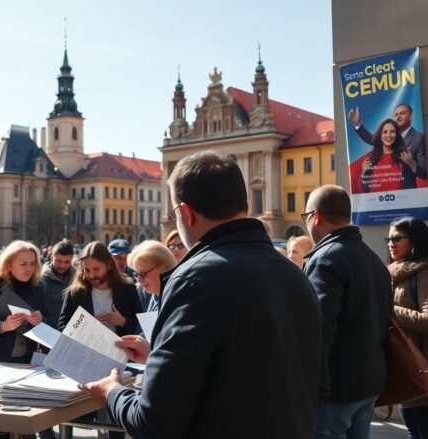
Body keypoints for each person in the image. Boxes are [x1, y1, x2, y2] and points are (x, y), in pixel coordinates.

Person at [79, 151, 324, 438]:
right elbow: (317, 383)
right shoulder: (295, 274)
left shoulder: (192, 278)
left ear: (186, 213)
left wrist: (112, 393)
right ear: (245, 205)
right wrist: (158, 356)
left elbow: (154, 420)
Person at [302, 184, 391, 439]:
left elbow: (320, 330)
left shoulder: (326, 258)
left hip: (337, 388)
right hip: (369, 382)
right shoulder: (372, 257)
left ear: (315, 216)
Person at [0, 240, 48, 439]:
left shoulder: (38, 287)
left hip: (26, 364)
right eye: (23, 263)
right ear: (9, 264)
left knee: (21, 423)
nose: (29, 268)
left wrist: (41, 320)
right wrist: (2, 326)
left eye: (32, 263)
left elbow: (50, 322)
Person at [386, 217, 428, 438]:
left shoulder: (426, 272)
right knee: (414, 432)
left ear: (414, 240)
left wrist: (390, 310)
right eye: (389, 239)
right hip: (403, 366)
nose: (390, 244)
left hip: (423, 367)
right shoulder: (393, 273)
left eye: (396, 238)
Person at [59, 241, 142, 336]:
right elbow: (62, 327)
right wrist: (87, 326)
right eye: (87, 270)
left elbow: (141, 327)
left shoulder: (128, 290)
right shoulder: (75, 293)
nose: (91, 275)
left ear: (108, 265)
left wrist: (123, 322)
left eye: (96, 269)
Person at [349, 103, 427, 180]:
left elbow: (424, 172)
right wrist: (357, 125)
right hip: (385, 182)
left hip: (407, 188)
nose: (398, 117)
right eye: (396, 115)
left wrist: (412, 164)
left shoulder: (418, 137)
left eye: (402, 113)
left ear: (411, 116)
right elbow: (371, 139)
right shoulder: (389, 136)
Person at [353, 119, 416, 193]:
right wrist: (363, 172)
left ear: (397, 135)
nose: (388, 135)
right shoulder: (371, 160)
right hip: (376, 203)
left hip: (401, 203)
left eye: (392, 132)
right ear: (380, 135)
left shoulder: (404, 157)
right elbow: (364, 188)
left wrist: (413, 165)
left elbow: (413, 184)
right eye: (385, 132)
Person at [127, 240, 176, 314]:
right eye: (136, 274)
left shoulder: (179, 297)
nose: (139, 280)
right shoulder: (154, 295)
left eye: (143, 273)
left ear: (165, 267)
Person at [41, 239, 75, 329]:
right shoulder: (40, 279)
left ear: (72, 259)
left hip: (71, 334)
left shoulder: (78, 279)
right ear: (52, 257)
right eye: (59, 261)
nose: (62, 266)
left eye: (67, 262)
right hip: (48, 334)